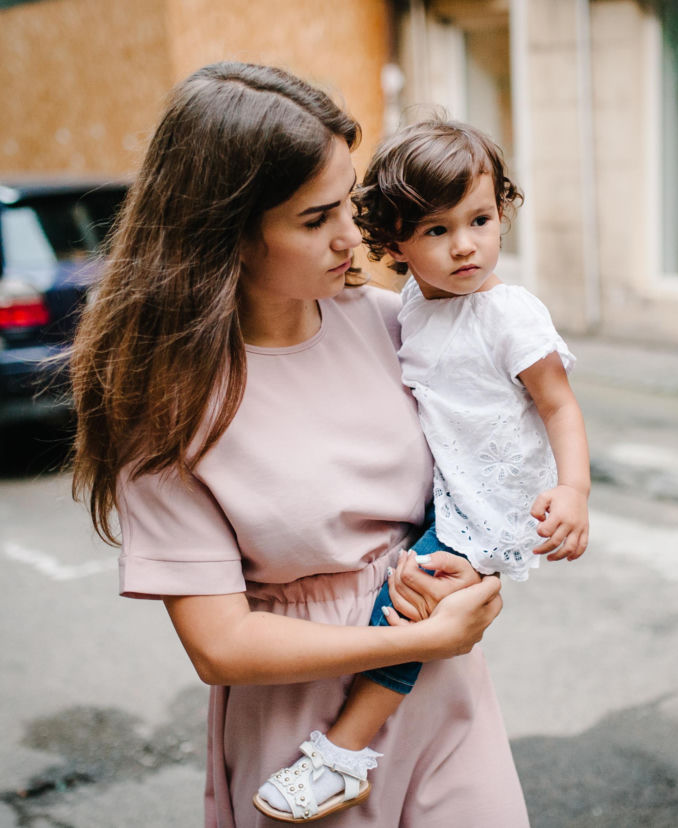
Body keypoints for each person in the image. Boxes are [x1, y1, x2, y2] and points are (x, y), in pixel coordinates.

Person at [69, 62, 529, 827]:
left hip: (443, 695)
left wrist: (469, 575)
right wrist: (430, 635)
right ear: (228, 236)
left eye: (349, 201)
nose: (352, 236)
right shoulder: (168, 405)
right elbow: (220, 645)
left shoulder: (399, 323)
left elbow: (485, 471)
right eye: (316, 220)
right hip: (303, 734)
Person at [254, 119, 590, 822]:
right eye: (437, 230)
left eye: (480, 220)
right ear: (393, 244)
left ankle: (342, 754)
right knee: (412, 596)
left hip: (492, 504)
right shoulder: (410, 306)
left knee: (406, 605)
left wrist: (573, 490)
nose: (466, 245)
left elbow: (559, 406)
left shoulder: (509, 315)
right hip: (448, 490)